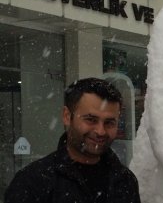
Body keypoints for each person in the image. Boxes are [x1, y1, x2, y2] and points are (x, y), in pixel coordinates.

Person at [4, 77, 141, 203]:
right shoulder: (32, 182)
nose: (100, 131)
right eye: (90, 120)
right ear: (67, 116)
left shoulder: (125, 181)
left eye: (109, 122)